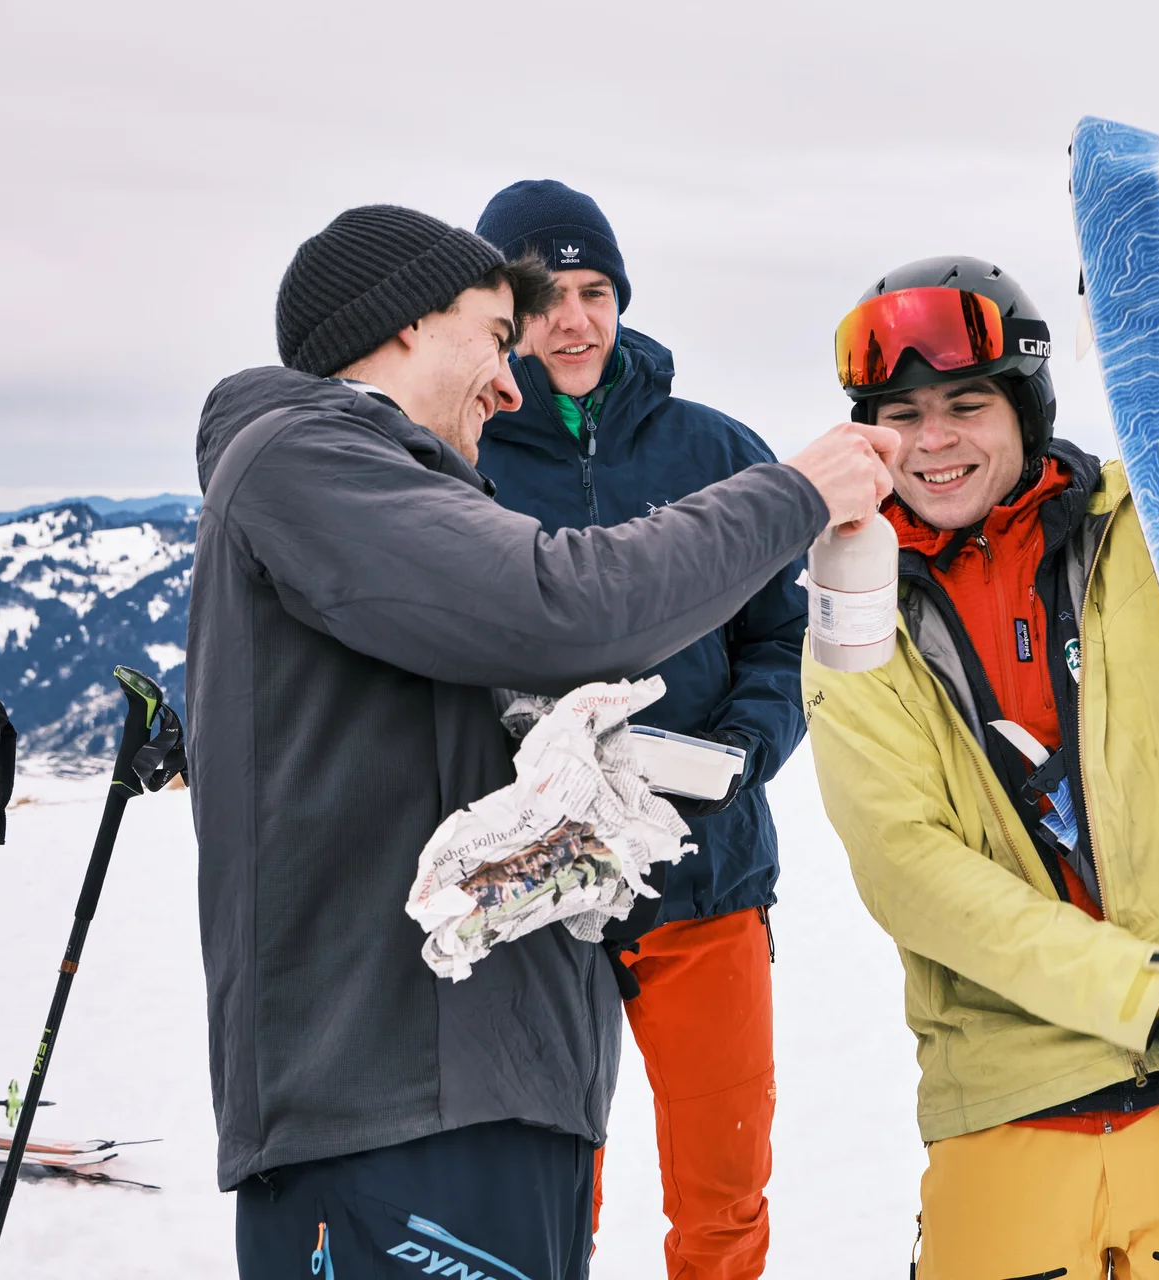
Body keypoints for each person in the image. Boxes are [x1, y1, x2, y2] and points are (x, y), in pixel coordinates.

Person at [187, 205, 897, 1279]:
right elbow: (560, 603)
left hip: (488, 1085)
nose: (515, 379)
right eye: (495, 330)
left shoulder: (392, 474)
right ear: (407, 326)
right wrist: (798, 492)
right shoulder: (310, 457)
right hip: (398, 1105)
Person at [801, 148, 1159, 1280]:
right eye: (904, 414)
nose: (938, 438)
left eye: (968, 401)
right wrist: (1155, 988)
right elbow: (911, 868)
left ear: (1026, 404)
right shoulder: (857, 613)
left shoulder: (1154, 525)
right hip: (1014, 1103)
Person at [473, 180, 798, 1279]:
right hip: (535, 885)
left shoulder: (717, 450)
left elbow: (781, 637)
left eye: (595, 290)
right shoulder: (463, 462)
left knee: (721, 1191)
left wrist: (743, 753)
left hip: (704, 874)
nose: (574, 319)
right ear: (501, 312)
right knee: (549, 1193)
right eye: (544, 294)